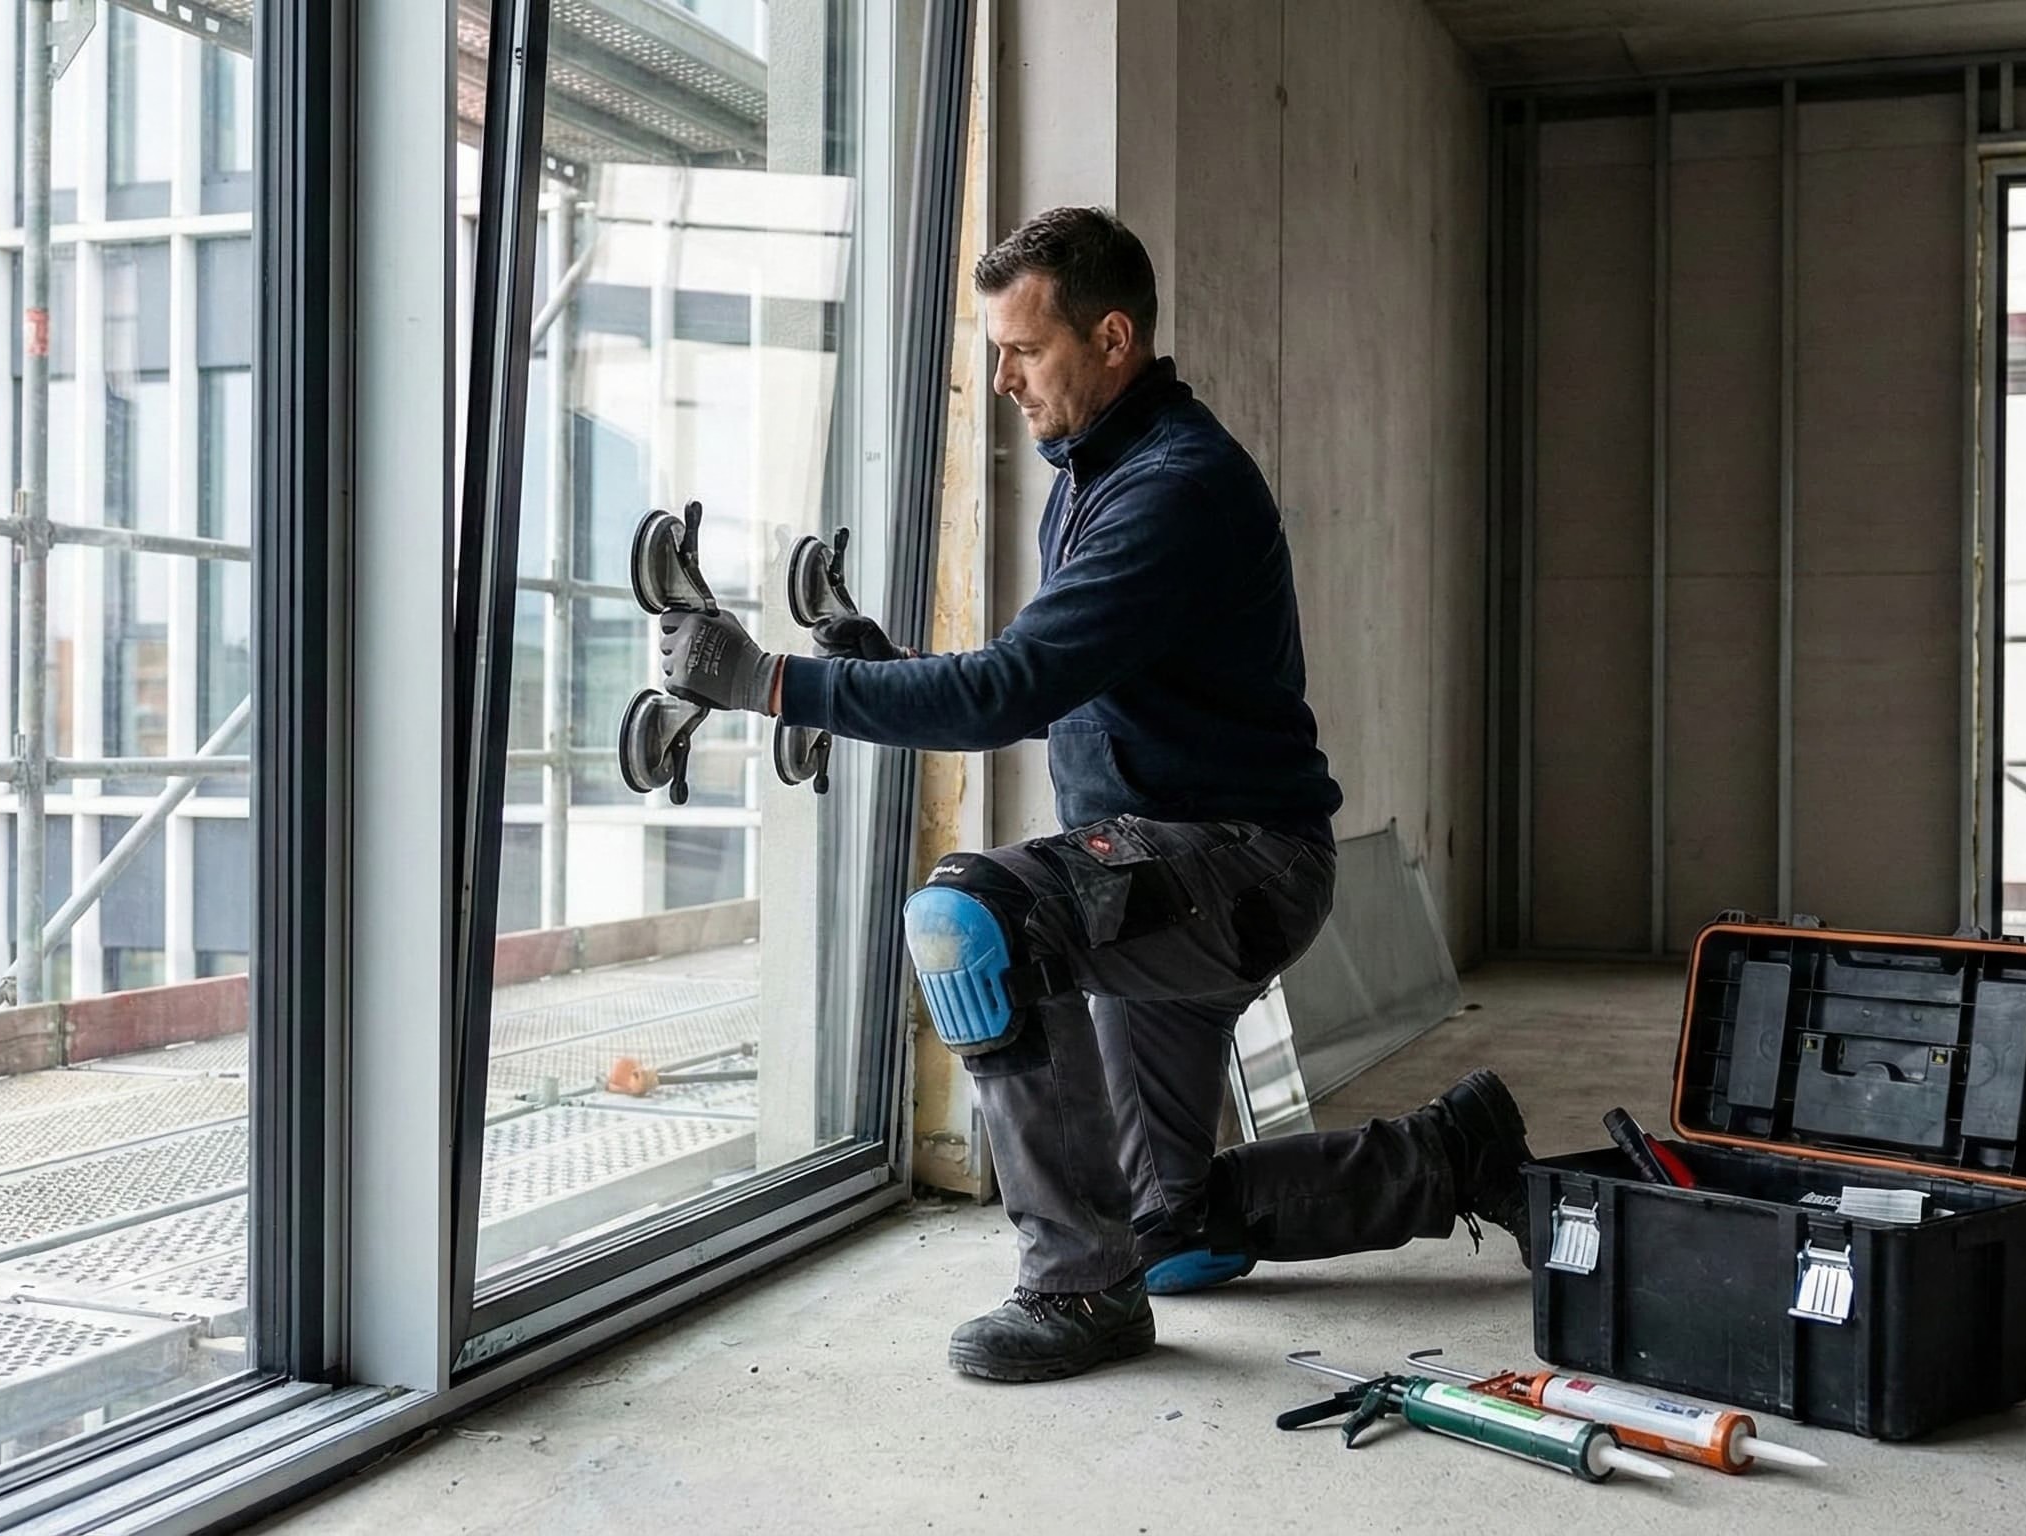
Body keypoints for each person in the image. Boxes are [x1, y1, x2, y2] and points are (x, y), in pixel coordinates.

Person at [655, 206, 1535, 1383]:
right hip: (1158, 870)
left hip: (1232, 868)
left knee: (968, 918)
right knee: (1163, 1225)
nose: (1004, 378)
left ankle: (1076, 1293)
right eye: (995, 352)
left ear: (1111, 337)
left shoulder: (1175, 486)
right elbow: (1057, 681)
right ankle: (1447, 1156)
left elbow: (1008, 693)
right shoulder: (1095, 472)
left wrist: (770, 682)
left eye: (1023, 350)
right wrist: (871, 668)